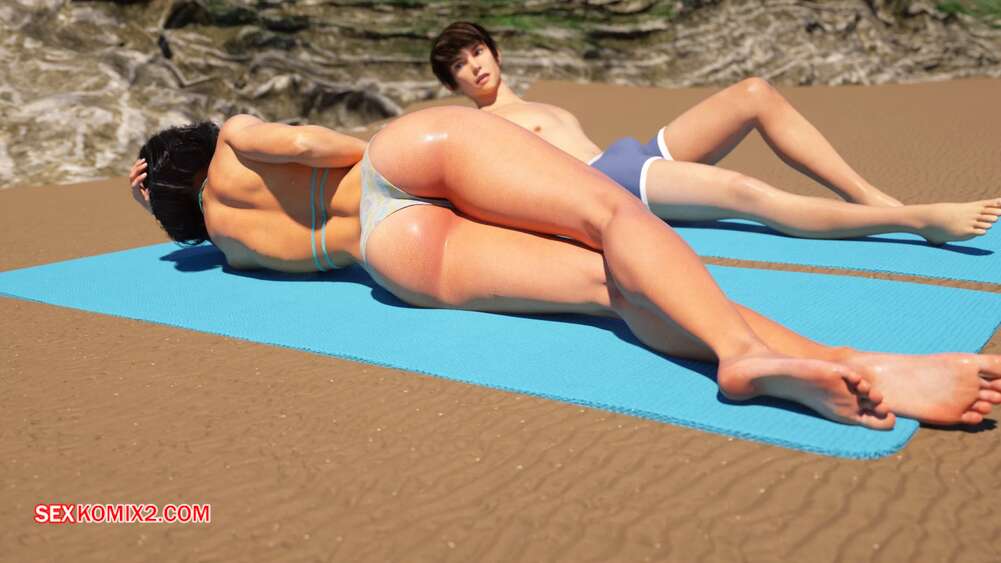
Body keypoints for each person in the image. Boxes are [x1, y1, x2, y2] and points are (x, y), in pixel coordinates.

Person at [128, 107, 1001, 431]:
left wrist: (159, 196)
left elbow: (192, 222)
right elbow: (321, 146)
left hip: (387, 254)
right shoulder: (234, 136)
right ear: (194, 143)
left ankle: (850, 362)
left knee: (605, 290)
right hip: (404, 157)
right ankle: (750, 352)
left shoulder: (228, 249)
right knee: (613, 219)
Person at [429, 22, 1000, 244]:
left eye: (476, 52)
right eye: (459, 65)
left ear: (495, 53)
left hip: (630, 157)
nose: (473, 66)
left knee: (753, 93)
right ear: (453, 83)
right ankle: (916, 220)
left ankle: (869, 196)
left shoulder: (539, 102)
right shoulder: (478, 126)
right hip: (609, 184)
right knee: (748, 194)